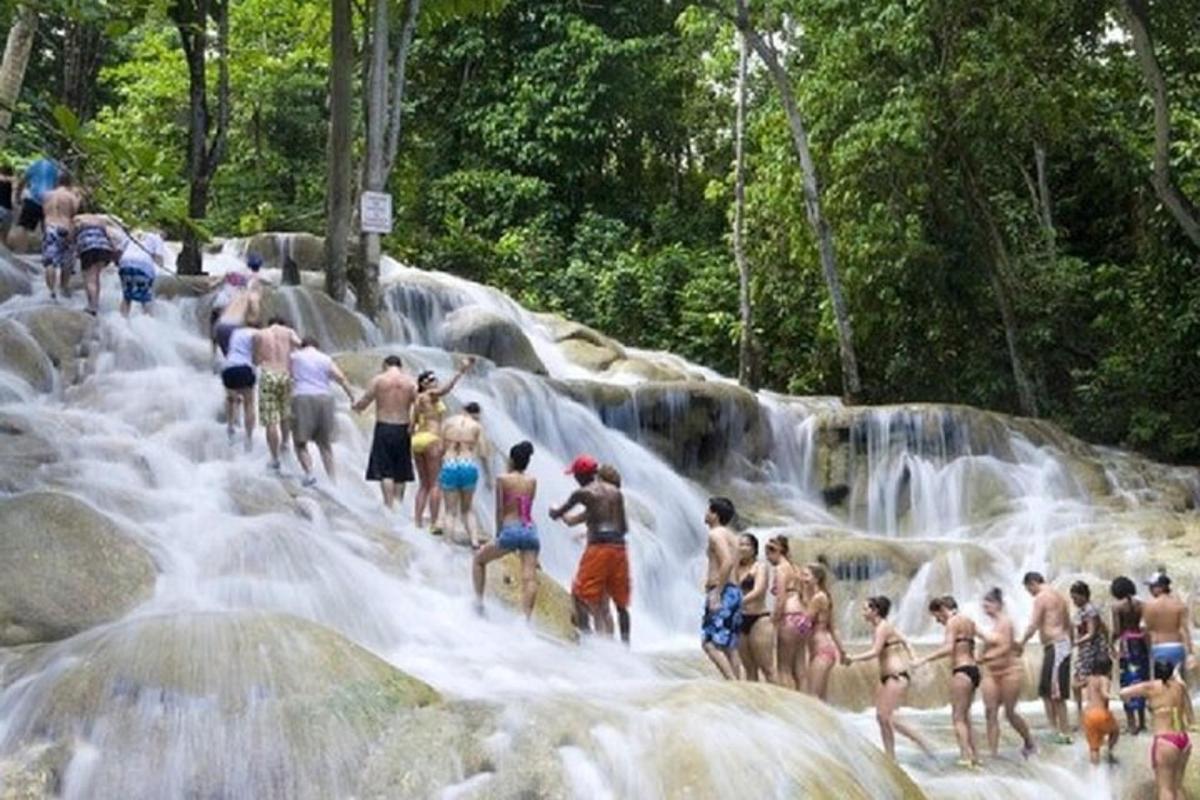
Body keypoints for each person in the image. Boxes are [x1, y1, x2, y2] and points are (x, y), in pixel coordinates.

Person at [550, 454, 631, 643]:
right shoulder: (616, 493)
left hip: (598, 549)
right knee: (620, 603)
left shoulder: (583, 493)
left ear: (579, 476)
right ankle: (626, 648)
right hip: (619, 549)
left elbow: (558, 513)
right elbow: (623, 527)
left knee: (579, 594)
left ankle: (586, 643)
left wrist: (553, 510)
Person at [844, 596, 930, 760]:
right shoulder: (884, 627)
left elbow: (875, 652)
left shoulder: (882, 628)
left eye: (866, 609)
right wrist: (913, 656)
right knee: (882, 717)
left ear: (875, 611)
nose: (863, 613)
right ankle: (890, 756)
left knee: (888, 717)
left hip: (895, 676)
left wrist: (852, 658)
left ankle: (922, 742)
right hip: (889, 677)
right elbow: (906, 641)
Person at [472, 440, 539, 618]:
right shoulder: (532, 481)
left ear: (511, 460)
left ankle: (478, 603)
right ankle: (526, 620)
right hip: (529, 530)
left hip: (510, 529)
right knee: (529, 577)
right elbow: (527, 507)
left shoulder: (503, 479)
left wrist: (499, 533)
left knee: (479, 560)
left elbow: (500, 509)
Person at [914, 595, 980, 768]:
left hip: (961, 671)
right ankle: (975, 756)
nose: (938, 622)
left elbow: (948, 648)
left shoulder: (952, 622)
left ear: (943, 609)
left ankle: (966, 757)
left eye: (937, 617)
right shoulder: (969, 622)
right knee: (966, 717)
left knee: (957, 717)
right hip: (974, 671)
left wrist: (924, 659)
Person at [410, 360, 473, 528]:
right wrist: (461, 371)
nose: (434, 381)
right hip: (432, 438)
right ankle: (433, 523)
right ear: (423, 384)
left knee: (423, 484)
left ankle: (417, 521)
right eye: (430, 379)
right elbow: (446, 389)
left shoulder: (417, 400)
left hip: (417, 440)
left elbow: (411, 425)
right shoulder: (430, 395)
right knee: (435, 484)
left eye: (434, 378)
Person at [977, 587, 1036, 758]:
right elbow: (987, 645)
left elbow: (1005, 647)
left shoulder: (1006, 622)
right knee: (990, 712)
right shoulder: (992, 626)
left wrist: (984, 658)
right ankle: (993, 753)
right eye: (984, 603)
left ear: (998, 605)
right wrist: (980, 655)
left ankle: (1029, 741)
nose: (985, 607)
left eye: (988, 603)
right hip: (991, 673)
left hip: (1010, 671)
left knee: (1009, 712)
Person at [353, 355, 418, 510]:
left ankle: (388, 506)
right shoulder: (410, 382)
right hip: (404, 426)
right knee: (401, 469)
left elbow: (366, 400)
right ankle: (399, 505)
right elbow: (420, 404)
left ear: (385, 365)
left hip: (384, 426)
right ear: (400, 366)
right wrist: (414, 423)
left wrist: (357, 407)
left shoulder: (378, 380)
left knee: (385, 469)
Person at [1121, 660, 1194, 799]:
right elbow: (1190, 714)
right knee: (1177, 787)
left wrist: (1134, 702)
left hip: (1165, 741)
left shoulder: (1151, 687)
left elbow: (1123, 692)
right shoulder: (1179, 686)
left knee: (1165, 789)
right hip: (1183, 740)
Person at [290, 337, 355, 487]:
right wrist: (352, 397)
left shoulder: (294, 357)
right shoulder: (325, 358)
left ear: (302, 346)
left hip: (302, 397)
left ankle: (309, 474)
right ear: (317, 346)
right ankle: (333, 480)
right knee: (324, 444)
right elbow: (341, 378)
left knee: (300, 442)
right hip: (325, 399)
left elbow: (287, 375)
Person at [1018, 571, 1074, 743]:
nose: (1030, 594)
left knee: (1055, 692)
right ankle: (1055, 728)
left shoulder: (1042, 597)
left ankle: (1063, 731)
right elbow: (1068, 623)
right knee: (1046, 691)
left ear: (1033, 583)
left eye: (1029, 590)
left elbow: (1033, 624)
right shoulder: (1059, 596)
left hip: (1057, 646)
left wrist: (1020, 643)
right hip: (1060, 645)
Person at [435, 401, 489, 545]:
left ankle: (447, 541)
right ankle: (475, 541)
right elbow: (483, 453)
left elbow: (440, 448)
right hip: (467, 464)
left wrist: (439, 470)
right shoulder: (477, 426)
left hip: (450, 464)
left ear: (462, 410)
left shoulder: (448, 422)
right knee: (467, 509)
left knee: (450, 511)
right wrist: (488, 475)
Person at [700, 497, 743, 681]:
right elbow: (736, 565)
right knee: (729, 646)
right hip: (734, 591)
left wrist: (717, 592)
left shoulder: (715, 534)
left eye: (708, 510)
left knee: (709, 644)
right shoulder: (732, 536)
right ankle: (738, 686)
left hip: (723, 591)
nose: (705, 513)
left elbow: (726, 562)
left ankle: (732, 683)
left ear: (715, 514)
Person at [254, 316, 302, 470]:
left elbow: (255, 359)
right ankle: (286, 443)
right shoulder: (288, 332)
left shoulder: (261, 333)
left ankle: (274, 458)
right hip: (285, 374)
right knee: (285, 412)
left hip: (268, 374)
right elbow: (301, 346)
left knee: (270, 419)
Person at [766, 535, 808, 692]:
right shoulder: (795, 568)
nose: (768, 558)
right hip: (802, 617)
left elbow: (780, 597)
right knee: (800, 667)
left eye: (768, 553)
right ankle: (806, 703)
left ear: (775, 552)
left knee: (784, 668)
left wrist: (775, 620)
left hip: (789, 617)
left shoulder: (780, 569)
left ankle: (790, 709)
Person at [735, 533, 776, 683]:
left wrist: (738, 602)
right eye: (739, 544)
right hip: (739, 620)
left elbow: (759, 590)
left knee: (768, 668)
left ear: (754, 549)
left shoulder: (760, 566)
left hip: (759, 618)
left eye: (746, 544)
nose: (742, 548)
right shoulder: (734, 567)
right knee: (749, 669)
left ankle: (779, 702)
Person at [1112, 575, 1150, 735]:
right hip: (1140, 644)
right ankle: (1142, 722)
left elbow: (1117, 630)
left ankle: (1131, 723)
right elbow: (1144, 626)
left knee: (1127, 683)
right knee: (1141, 681)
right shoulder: (1141, 604)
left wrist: (1110, 643)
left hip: (1126, 645)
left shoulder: (1117, 607)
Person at [802, 562, 844, 701]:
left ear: (816, 578)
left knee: (813, 697)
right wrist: (842, 652)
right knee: (821, 697)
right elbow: (833, 628)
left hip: (821, 651)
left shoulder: (817, 598)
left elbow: (803, 623)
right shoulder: (825, 596)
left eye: (806, 575)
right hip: (825, 650)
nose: (802, 579)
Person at [212, 253, 264, 356]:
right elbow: (254, 306)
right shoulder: (254, 281)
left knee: (227, 354)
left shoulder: (234, 272)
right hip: (236, 325)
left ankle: (214, 348)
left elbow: (215, 283)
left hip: (221, 317)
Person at [37, 173, 80, 300]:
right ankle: (63, 287)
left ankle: (51, 291)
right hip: (65, 227)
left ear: (57, 182)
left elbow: (44, 213)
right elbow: (74, 216)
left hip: (50, 227)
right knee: (67, 261)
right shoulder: (71, 197)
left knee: (50, 261)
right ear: (70, 184)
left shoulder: (47, 195)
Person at [1144, 571, 1193, 678]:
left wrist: (1148, 652)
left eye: (1152, 586)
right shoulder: (1179, 605)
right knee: (1179, 684)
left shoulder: (1149, 605)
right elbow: (1184, 630)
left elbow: (1148, 630)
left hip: (1158, 647)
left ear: (1160, 587)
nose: (1150, 590)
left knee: (1162, 685)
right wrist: (1190, 653)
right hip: (1177, 647)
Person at [1072, 581, 1109, 722]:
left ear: (1084, 596)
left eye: (1075, 598)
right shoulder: (1086, 609)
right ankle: (1087, 711)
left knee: (1084, 681)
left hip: (1091, 650)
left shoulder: (1090, 610)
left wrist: (1075, 643)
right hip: (1088, 649)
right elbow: (1104, 628)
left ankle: (1086, 712)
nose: (1074, 601)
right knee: (1087, 681)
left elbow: (1092, 633)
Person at [72, 212, 120, 315]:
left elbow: (73, 235)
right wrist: (115, 253)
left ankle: (92, 306)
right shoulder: (99, 220)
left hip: (88, 248)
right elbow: (109, 236)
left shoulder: (78, 219)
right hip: (105, 249)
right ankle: (95, 304)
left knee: (89, 278)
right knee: (96, 277)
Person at [221, 321, 258, 451]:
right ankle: (248, 437)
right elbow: (256, 354)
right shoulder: (257, 334)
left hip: (228, 367)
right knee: (249, 403)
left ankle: (230, 427)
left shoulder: (235, 332)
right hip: (244, 368)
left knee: (231, 399)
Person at [9, 156, 59, 252]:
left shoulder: (35, 164)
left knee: (24, 226)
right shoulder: (55, 168)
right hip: (48, 200)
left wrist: (17, 196)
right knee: (48, 228)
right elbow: (56, 185)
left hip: (33, 199)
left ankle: (20, 252)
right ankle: (48, 253)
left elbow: (23, 180)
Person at [117, 228, 166, 317]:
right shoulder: (157, 238)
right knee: (146, 299)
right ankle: (148, 323)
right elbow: (159, 258)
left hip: (125, 263)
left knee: (127, 297)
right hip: (143, 265)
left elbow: (119, 251)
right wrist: (161, 266)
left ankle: (122, 320)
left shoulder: (133, 234)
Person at [1081, 655, 1120, 765]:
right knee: (1115, 731)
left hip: (1088, 714)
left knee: (1094, 747)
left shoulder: (1089, 679)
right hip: (1101, 713)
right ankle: (1109, 751)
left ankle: (1095, 772)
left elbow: (1076, 685)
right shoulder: (1104, 679)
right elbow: (1104, 693)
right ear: (1108, 668)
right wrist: (1115, 696)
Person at [0, 162, 15, 234]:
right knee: (4, 232)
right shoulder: (11, 181)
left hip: (5, 208)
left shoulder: (9, 181)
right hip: (7, 208)